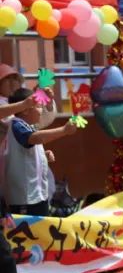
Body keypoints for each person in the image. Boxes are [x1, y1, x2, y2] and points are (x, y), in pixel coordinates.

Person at [1, 87, 75, 216]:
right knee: (28, 233)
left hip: (35, 196)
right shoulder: (17, 124)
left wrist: (43, 156)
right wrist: (64, 131)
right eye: (39, 106)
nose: (41, 110)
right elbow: (34, 138)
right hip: (25, 198)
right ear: (25, 110)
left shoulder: (28, 126)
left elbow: (27, 150)